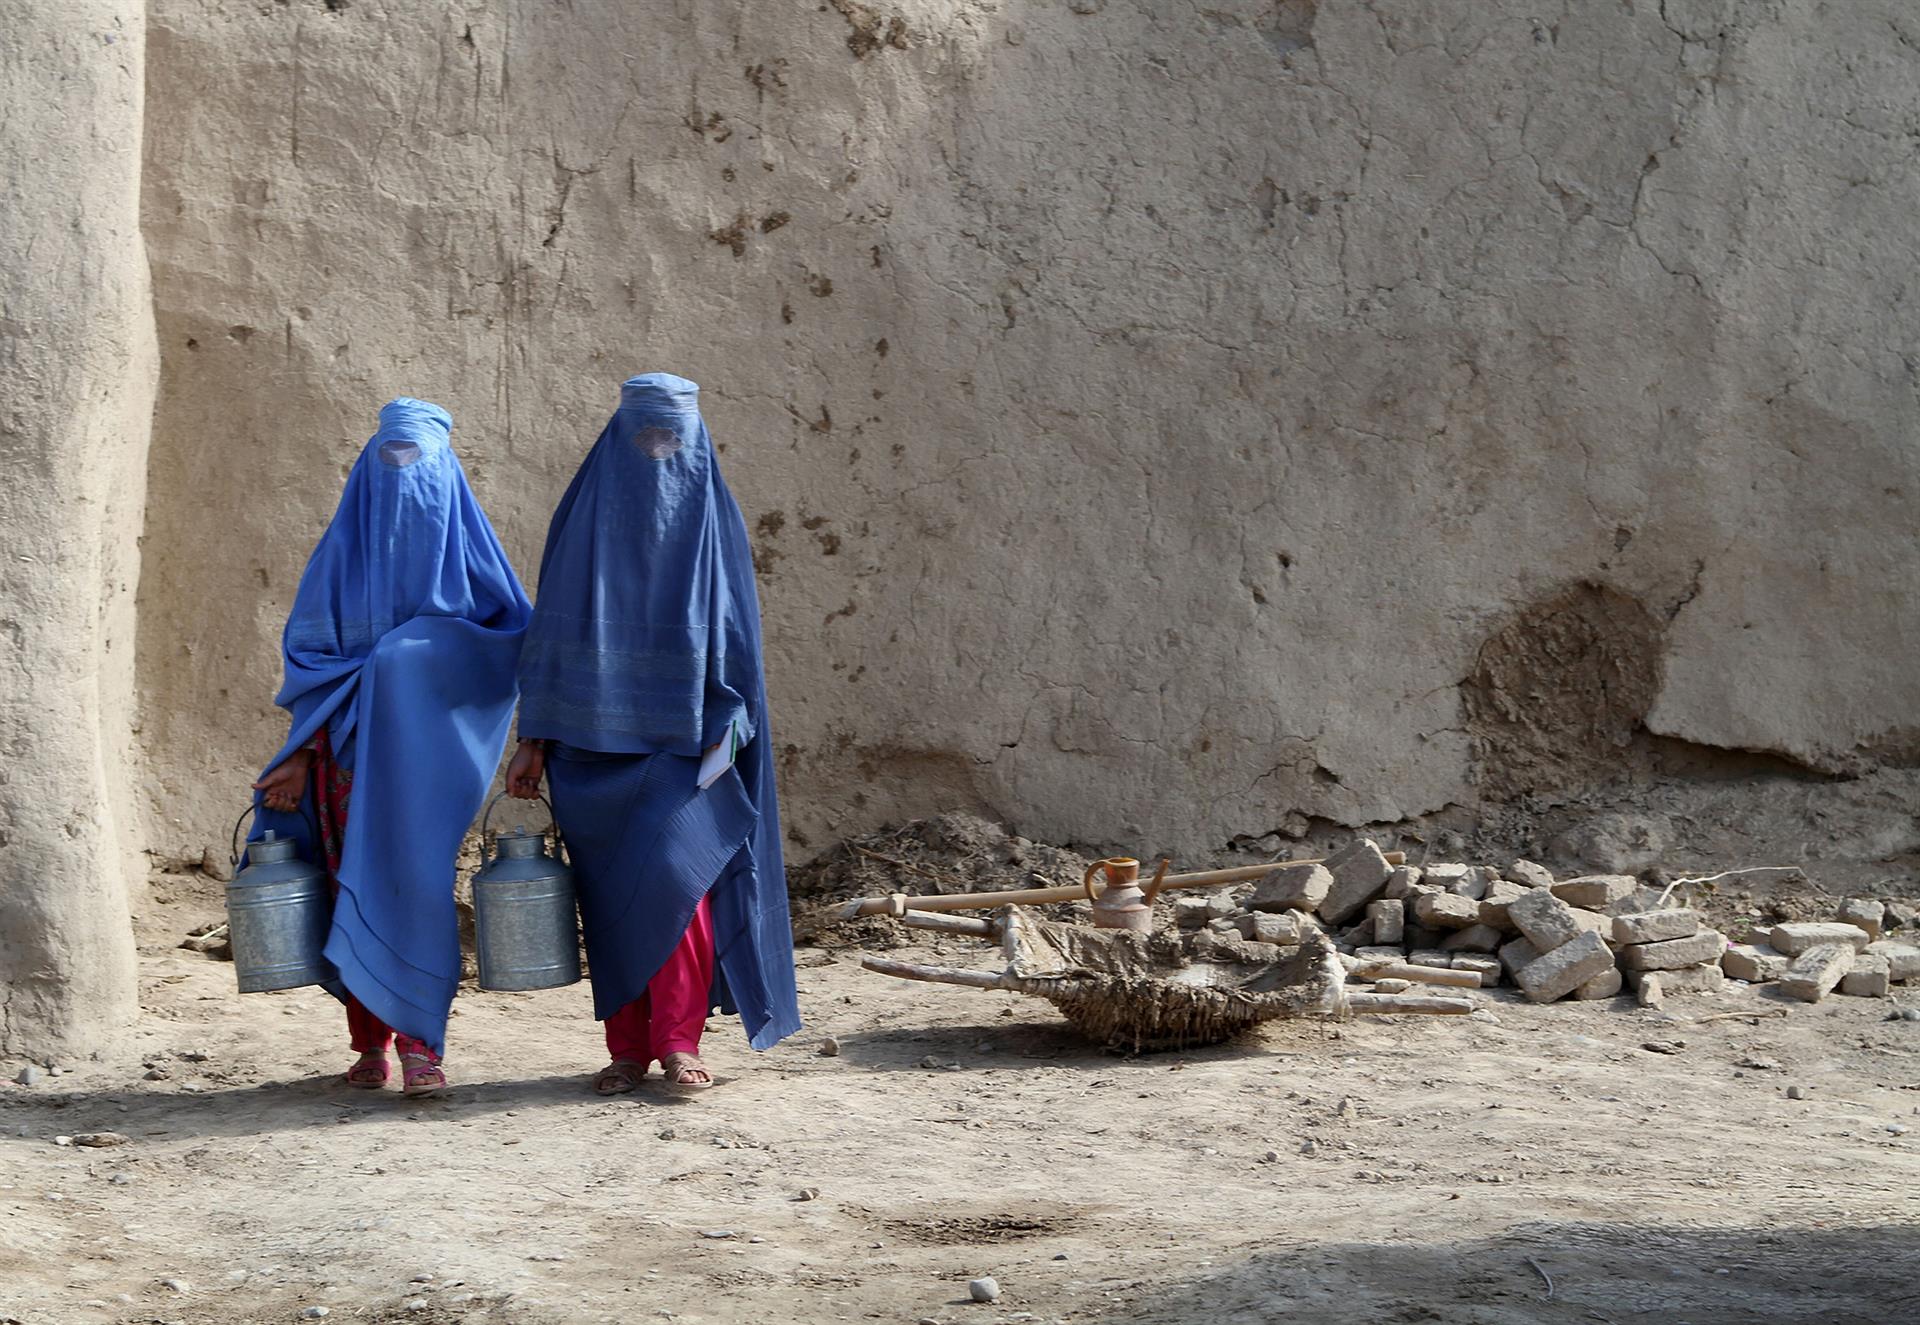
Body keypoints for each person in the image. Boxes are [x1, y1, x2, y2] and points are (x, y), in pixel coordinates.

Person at [506, 372, 800, 1094]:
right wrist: (534, 737)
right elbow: (553, 634)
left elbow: (736, 641)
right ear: (618, 437)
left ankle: (676, 1037)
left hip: (685, 745)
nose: (658, 451)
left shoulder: (713, 521)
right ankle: (627, 1047)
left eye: (673, 438)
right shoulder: (583, 521)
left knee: (679, 882)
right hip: (588, 749)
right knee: (612, 902)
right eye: (645, 435)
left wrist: (731, 726)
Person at [251, 398, 530, 1096]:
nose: (402, 475)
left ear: (447, 476)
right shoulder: (338, 561)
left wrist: (409, 655)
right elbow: (313, 663)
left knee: (415, 890)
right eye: (388, 458)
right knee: (352, 885)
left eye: (417, 461)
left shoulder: (474, 565)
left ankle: (423, 1045)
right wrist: (303, 750)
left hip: (428, 770)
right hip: (341, 763)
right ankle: (369, 1044)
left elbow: (507, 648)